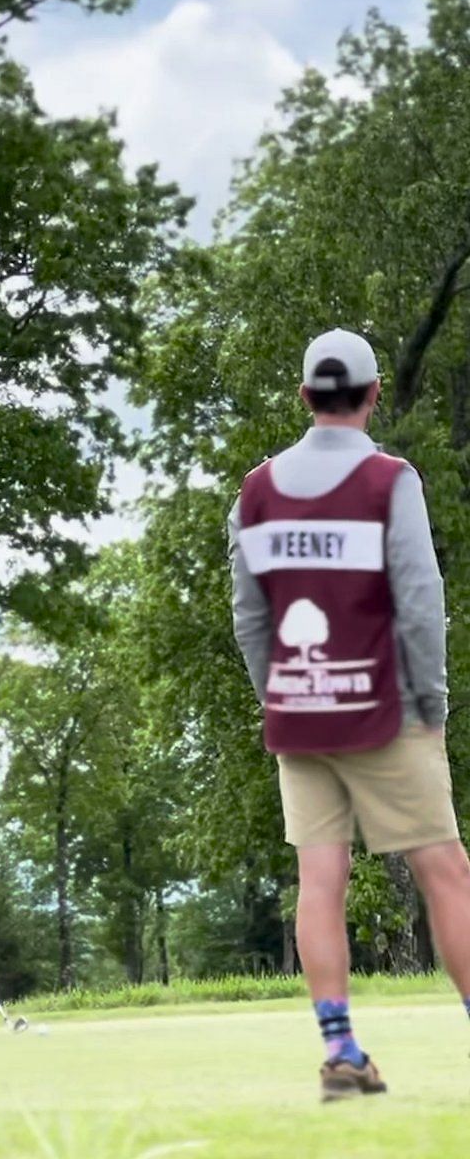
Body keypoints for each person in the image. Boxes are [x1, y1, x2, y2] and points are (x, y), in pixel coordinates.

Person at [228, 328, 470, 1101]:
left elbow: (248, 618)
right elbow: (421, 602)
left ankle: (341, 1052)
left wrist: (282, 691)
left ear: (305, 397)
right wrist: (431, 702)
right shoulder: (389, 480)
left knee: (319, 880)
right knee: (446, 873)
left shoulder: (256, 491)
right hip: (384, 710)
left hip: (301, 715)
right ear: (370, 396)